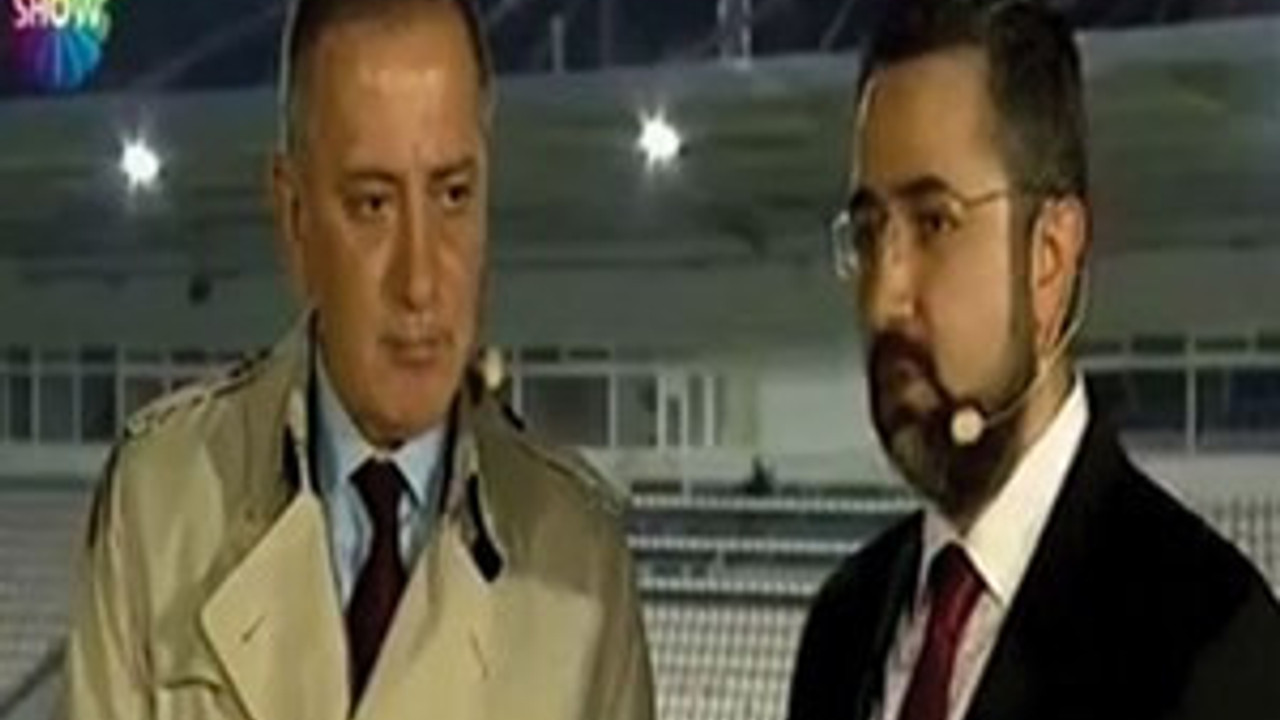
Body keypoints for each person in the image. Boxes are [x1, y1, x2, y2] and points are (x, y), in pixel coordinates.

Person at [63, 1, 654, 718]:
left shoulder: (583, 562)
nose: (421, 281)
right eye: (373, 204)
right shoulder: (157, 504)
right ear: (295, 218)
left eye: (454, 196)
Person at [787, 2, 1280, 719]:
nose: (885, 296)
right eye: (867, 231)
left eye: (935, 222)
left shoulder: (1210, 641)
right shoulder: (842, 626)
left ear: (1049, 256)